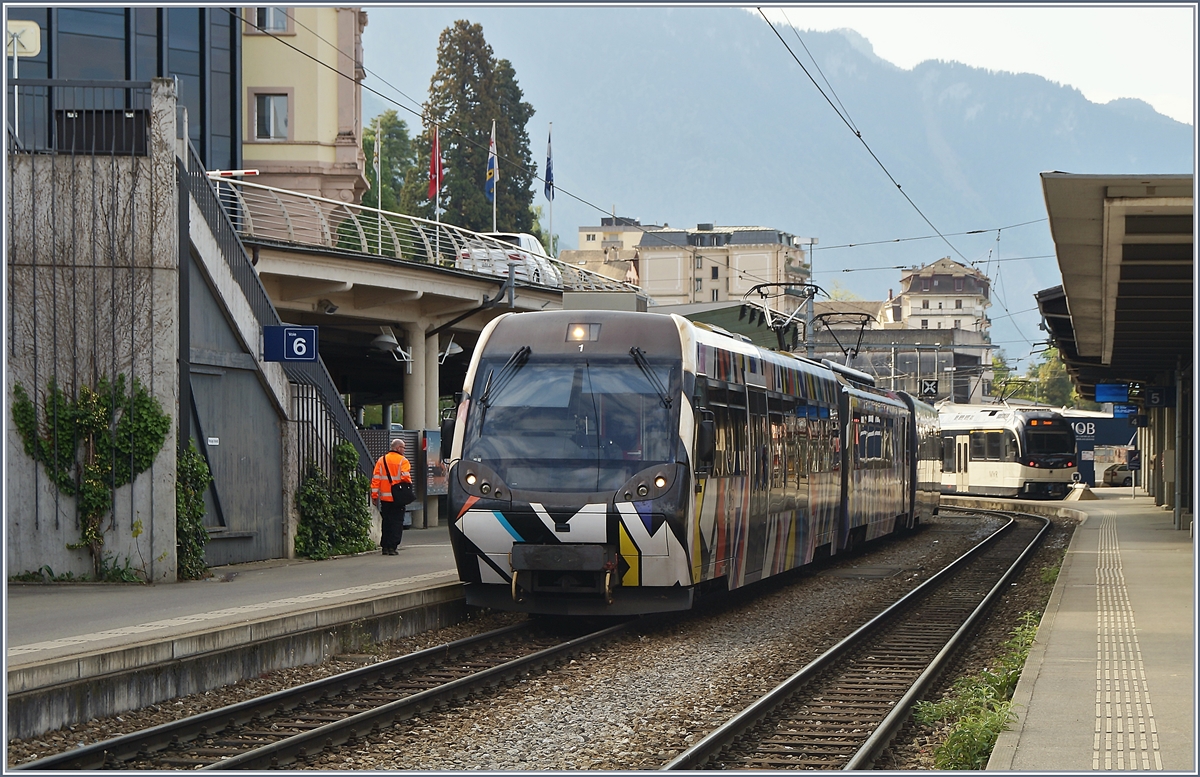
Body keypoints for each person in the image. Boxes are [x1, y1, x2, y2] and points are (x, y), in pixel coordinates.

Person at [371, 438, 412, 555]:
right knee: (397, 522)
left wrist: (374, 495)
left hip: (385, 498)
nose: (404, 450)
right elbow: (405, 477)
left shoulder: (381, 460)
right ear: (398, 448)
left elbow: (376, 479)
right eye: (403, 447)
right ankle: (392, 547)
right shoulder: (403, 461)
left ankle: (385, 546)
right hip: (398, 498)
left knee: (387, 522)